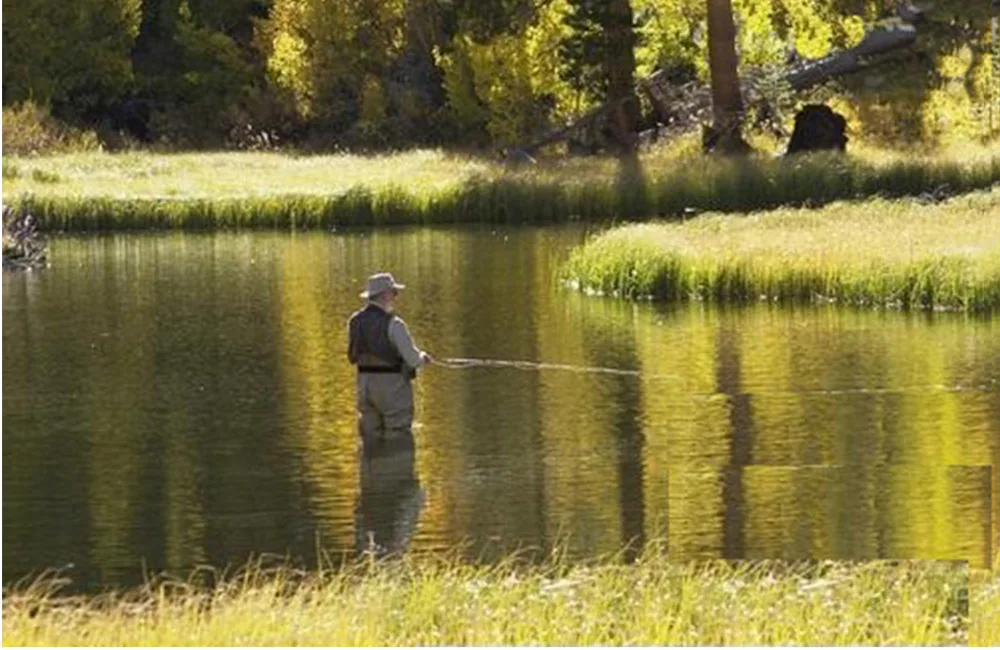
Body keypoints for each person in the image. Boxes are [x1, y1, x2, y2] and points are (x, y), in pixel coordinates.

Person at [347, 272, 431, 447]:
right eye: (394, 292)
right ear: (385, 294)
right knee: (398, 436)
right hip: (392, 388)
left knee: (369, 438)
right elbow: (414, 360)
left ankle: (372, 472)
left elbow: (352, 355)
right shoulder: (394, 324)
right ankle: (395, 473)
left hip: (364, 386)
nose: (395, 297)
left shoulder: (354, 321)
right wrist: (424, 358)